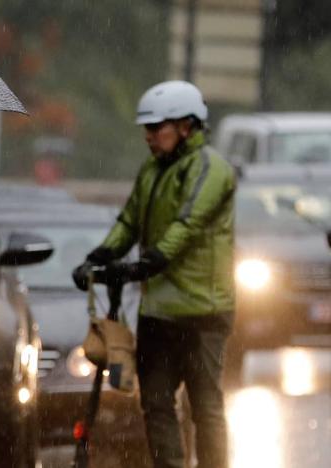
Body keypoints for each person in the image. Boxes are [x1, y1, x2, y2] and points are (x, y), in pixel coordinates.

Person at [71, 80, 235, 468]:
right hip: (158, 310)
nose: (148, 136)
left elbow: (187, 224)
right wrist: (97, 258)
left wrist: (145, 265)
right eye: (145, 129)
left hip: (202, 311)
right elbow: (129, 221)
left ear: (187, 126)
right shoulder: (151, 169)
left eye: (156, 127)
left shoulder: (211, 168)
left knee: (204, 406)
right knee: (156, 404)